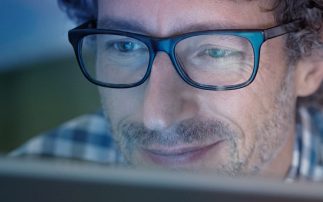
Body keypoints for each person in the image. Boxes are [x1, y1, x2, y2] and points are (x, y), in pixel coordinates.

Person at [11, 0, 323, 182]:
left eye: (214, 52)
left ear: (310, 64)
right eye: (125, 46)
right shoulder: (19, 200)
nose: (156, 116)